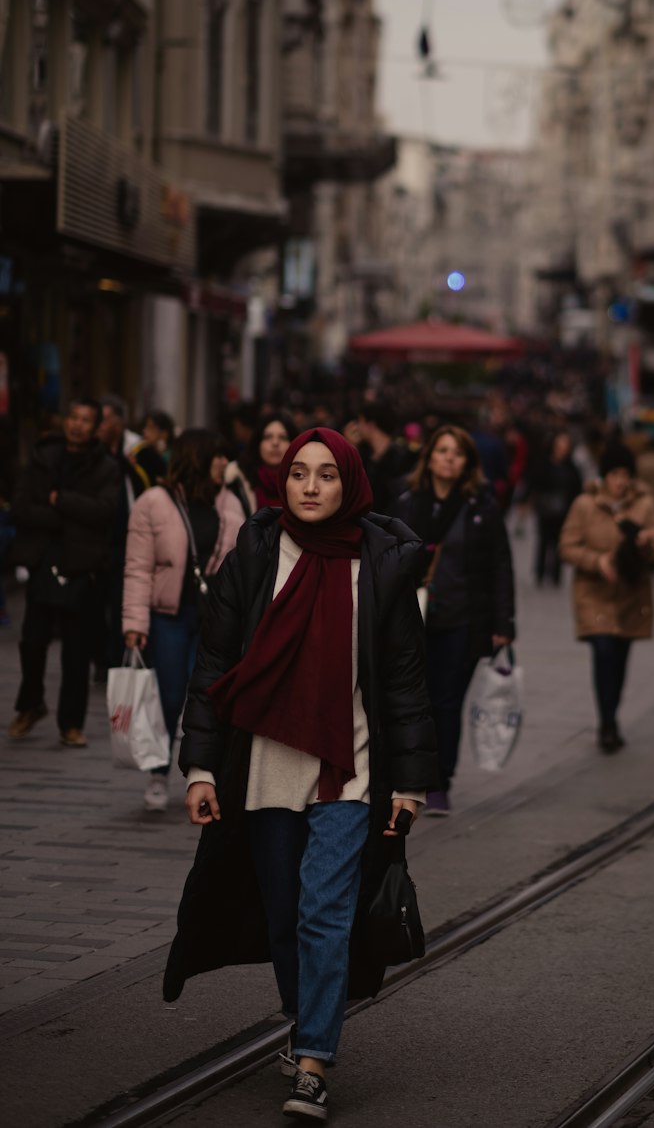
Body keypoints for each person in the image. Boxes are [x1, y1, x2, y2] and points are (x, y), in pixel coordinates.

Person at [168, 429, 437, 1122]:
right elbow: (213, 665)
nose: (311, 486)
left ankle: (314, 1060)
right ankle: (304, 1014)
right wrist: (199, 767)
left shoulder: (379, 566)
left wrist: (409, 783)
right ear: (281, 483)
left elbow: (405, 684)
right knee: (285, 913)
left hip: (349, 770)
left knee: (324, 913)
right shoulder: (255, 556)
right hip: (264, 768)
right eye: (298, 474)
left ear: (349, 484)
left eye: (325, 475)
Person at [394, 426, 516, 815]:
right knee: (414, 701)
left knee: (447, 702)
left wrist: (504, 622)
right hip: (413, 618)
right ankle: (407, 775)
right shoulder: (408, 502)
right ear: (429, 457)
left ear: (467, 463)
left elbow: (500, 563)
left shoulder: (481, 505)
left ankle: (439, 780)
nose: (449, 458)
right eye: (442, 450)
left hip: (463, 617)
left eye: (457, 452)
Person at [123, 430, 243, 811]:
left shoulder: (231, 501)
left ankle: (203, 772)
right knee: (170, 694)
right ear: (197, 458)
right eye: (217, 456)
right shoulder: (153, 503)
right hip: (169, 616)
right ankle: (158, 773)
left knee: (210, 696)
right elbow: (138, 568)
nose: (224, 463)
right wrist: (135, 623)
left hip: (216, 618)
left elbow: (244, 563)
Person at [8, 400, 119, 747]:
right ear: (64, 420)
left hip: (83, 568)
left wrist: (61, 501)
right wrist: (67, 517)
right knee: (32, 642)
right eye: (73, 417)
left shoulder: (106, 466)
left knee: (76, 651)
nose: (77, 425)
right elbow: (21, 508)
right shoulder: (44, 457)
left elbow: (105, 512)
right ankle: (30, 704)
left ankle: (71, 724)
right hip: (44, 561)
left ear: (96, 426)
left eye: (86, 420)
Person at [559, 442, 654, 752]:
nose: (621, 481)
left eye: (626, 474)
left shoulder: (644, 504)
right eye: (615, 474)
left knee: (619, 659)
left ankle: (612, 714)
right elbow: (567, 547)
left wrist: (647, 543)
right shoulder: (584, 505)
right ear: (604, 475)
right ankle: (606, 721)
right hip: (594, 594)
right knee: (603, 652)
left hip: (631, 594)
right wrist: (597, 561)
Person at [93, 396, 149, 683]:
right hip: (95, 539)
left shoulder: (137, 450)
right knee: (94, 604)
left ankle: (115, 661)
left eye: (104, 419)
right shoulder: (92, 452)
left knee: (119, 602)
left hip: (127, 538)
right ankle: (101, 658)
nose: (99, 426)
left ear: (119, 422)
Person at [528, 430, 582, 586]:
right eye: (559, 443)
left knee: (559, 543)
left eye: (565, 444)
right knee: (543, 541)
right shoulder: (544, 463)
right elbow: (534, 482)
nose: (562, 447)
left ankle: (556, 575)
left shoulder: (571, 467)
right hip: (545, 509)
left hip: (564, 511)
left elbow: (576, 488)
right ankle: (540, 572)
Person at [227, 411, 295, 519]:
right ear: (258, 443)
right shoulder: (236, 480)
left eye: (283, 437)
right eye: (268, 437)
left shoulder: (304, 482)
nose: (275, 443)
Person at [357, 401, 411, 514]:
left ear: (370, 425)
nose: (358, 427)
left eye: (360, 422)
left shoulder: (401, 458)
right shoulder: (366, 455)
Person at [132, 409, 175, 486]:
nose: (145, 431)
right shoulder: (144, 452)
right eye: (145, 427)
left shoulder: (172, 455)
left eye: (151, 428)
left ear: (164, 433)